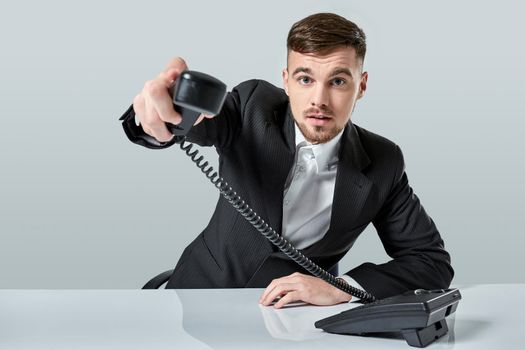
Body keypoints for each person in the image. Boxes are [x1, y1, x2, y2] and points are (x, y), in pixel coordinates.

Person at [119, 13, 453, 308]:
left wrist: (342, 288)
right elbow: (197, 124)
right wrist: (160, 119)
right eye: (305, 79)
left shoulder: (383, 160)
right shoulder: (253, 106)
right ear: (286, 80)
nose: (319, 100)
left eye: (337, 81)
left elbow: (431, 261)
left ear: (361, 85)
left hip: (295, 323)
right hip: (196, 299)